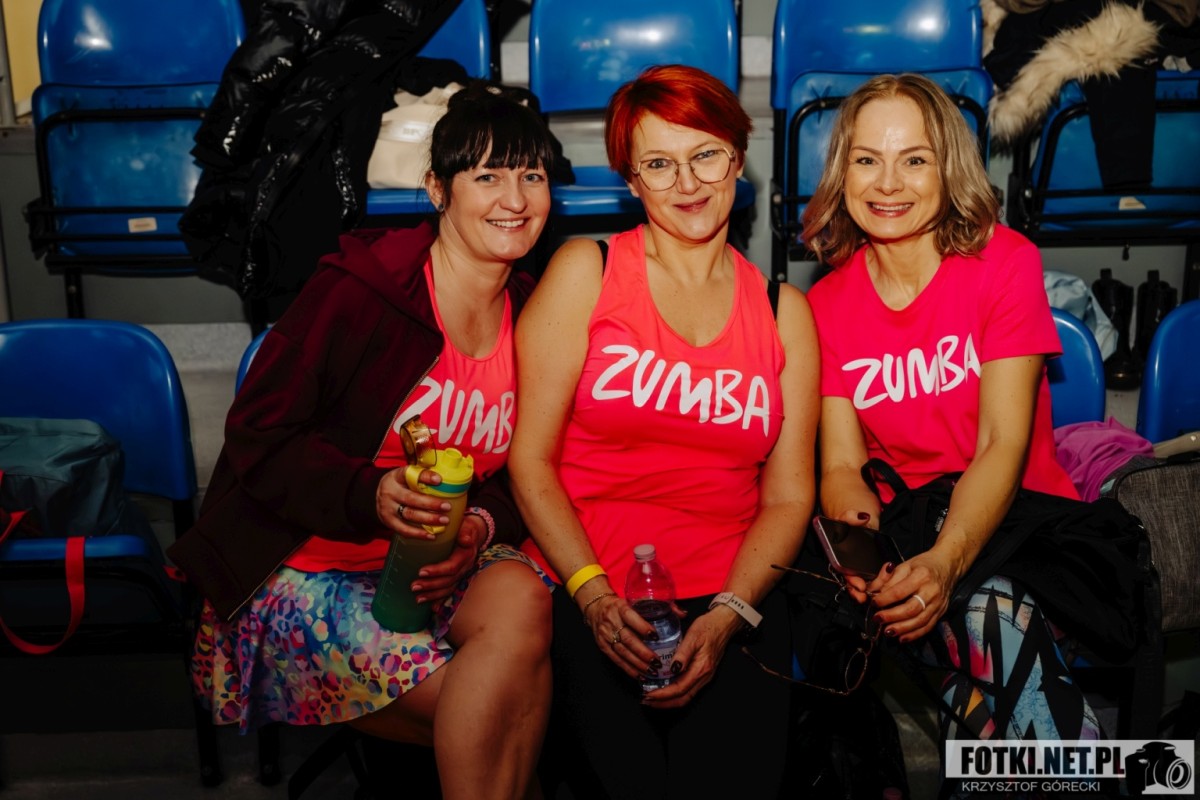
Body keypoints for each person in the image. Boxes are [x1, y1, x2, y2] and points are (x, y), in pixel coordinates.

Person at [167, 81, 558, 800]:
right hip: (305, 564)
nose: (515, 198)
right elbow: (258, 434)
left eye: (531, 175)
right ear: (437, 189)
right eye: (487, 176)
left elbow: (529, 469)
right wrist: (368, 492)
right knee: (498, 711)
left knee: (524, 603)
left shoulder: (533, 312)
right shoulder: (363, 291)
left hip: (432, 570)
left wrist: (478, 525)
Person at [509, 64, 821, 799]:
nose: (687, 182)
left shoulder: (785, 313)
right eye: (658, 163)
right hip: (589, 587)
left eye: (705, 154)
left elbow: (787, 498)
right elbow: (531, 460)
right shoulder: (585, 271)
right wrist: (591, 596)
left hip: (734, 594)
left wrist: (730, 616)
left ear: (738, 158)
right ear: (631, 180)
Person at [800, 73, 1103, 767]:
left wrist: (946, 563)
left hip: (1020, 529)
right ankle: (1070, 769)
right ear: (843, 171)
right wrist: (864, 557)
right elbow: (842, 465)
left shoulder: (1005, 262)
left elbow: (1001, 443)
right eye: (867, 159)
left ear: (949, 169)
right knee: (984, 673)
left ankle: (1059, 769)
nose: (888, 183)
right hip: (911, 539)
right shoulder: (827, 304)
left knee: (986, 615)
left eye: (914, 159)